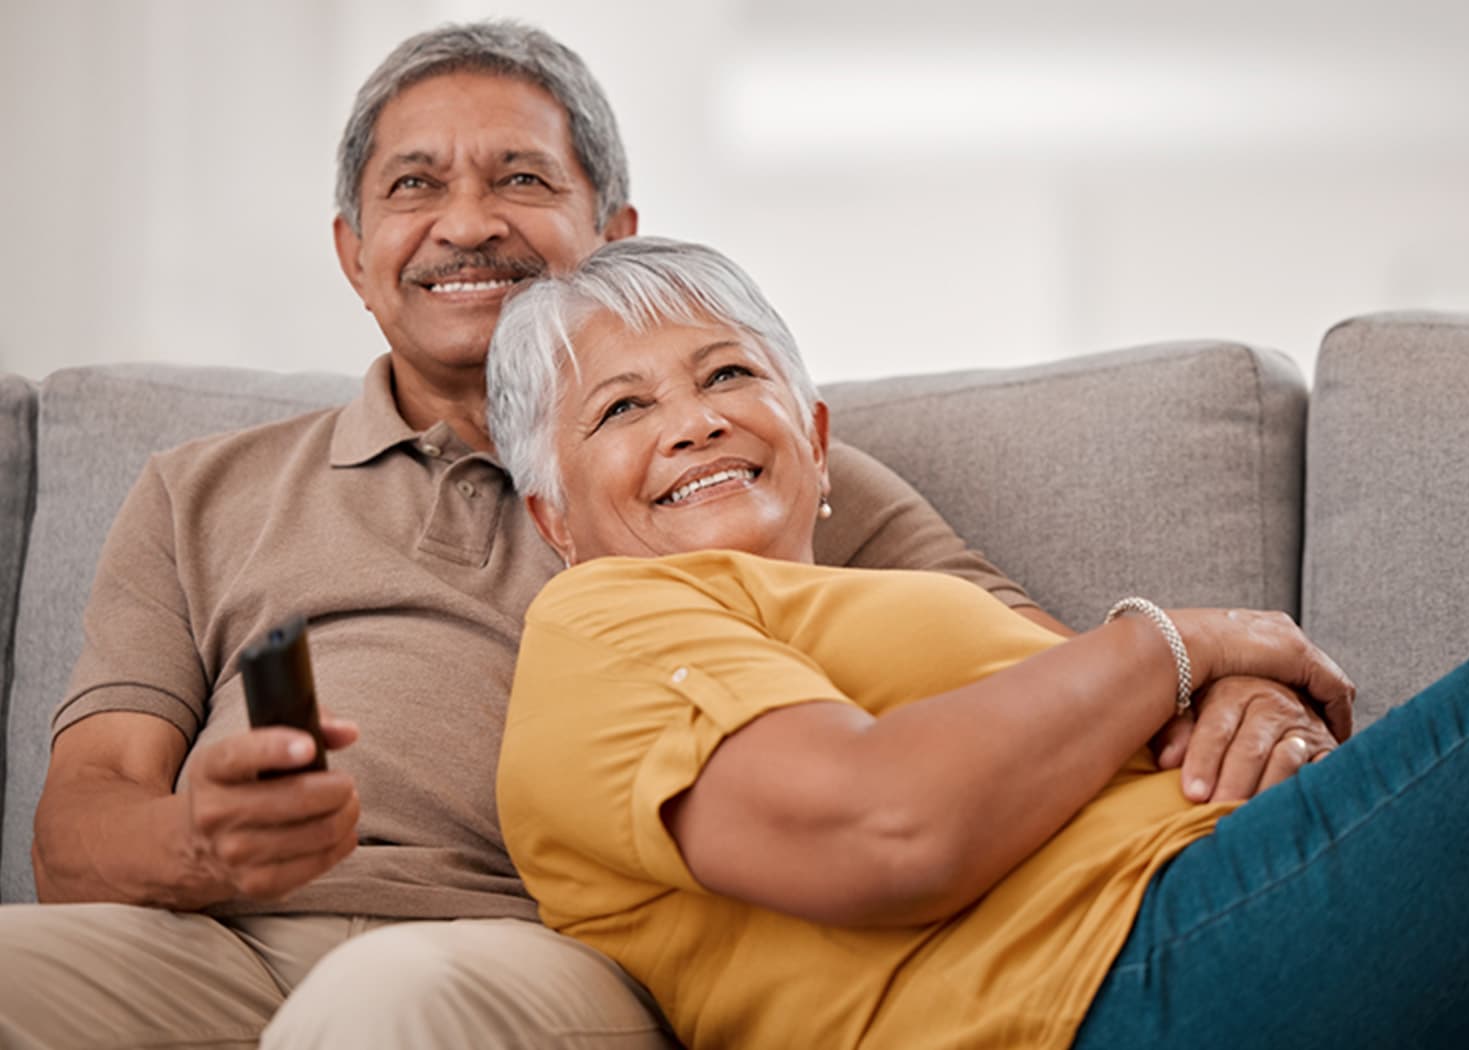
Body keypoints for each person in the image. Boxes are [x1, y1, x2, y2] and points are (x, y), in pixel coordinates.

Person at [1, 17, 1093, 1050]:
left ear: (616, 232)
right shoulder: (197, 490)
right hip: (208, 939)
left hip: (541, 953)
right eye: (414, 186)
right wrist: (200, 840)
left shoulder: (743, 466)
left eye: (521, 179)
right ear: (353, 250)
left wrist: (1212, 670)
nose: (467, 222)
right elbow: (73, 834)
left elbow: (1039, 665)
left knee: (386, 1005)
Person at [487, 236, 1469, 1050]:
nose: (694, 422)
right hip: (1095, 984)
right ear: (554, 519)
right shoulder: (602, 624)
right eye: (624, 406)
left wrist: (1243, 713)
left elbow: (1073, 736)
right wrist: (1183, 644)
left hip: (1223, 891)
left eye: (725, 376)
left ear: (812, 437)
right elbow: (887, 830)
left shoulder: (874, 602)